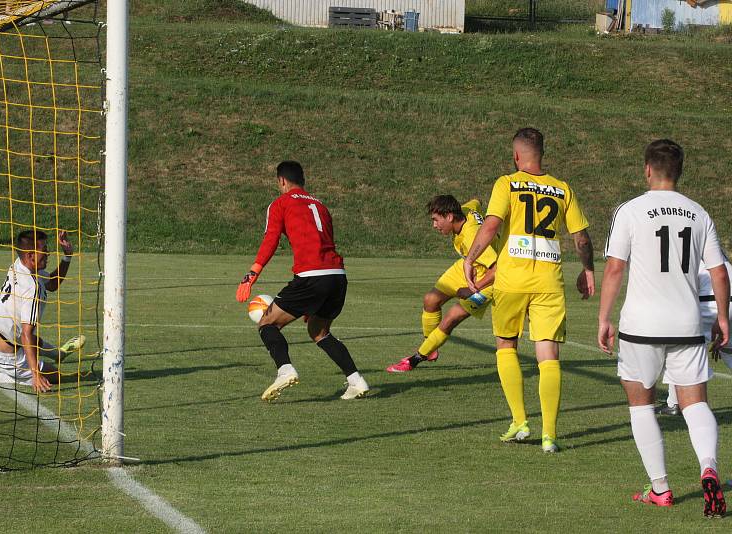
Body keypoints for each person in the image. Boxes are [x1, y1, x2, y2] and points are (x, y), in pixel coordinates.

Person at [598, 139, 728, 516]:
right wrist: (721, 318)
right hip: (687, 325)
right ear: (680, 171)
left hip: (641, 326)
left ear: (647, 169)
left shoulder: (631, 210)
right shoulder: (698, 212)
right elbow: (718, 271)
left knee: (642, 406)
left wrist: (604, 318)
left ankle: (661, 489)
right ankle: (708, 467)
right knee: (696, 402)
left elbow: (615, 267)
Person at [463, 127, 595, 453]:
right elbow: (581, 238)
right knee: (548, 354)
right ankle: (549, 434)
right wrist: (589, 269)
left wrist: (471, 258)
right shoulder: (562, 189)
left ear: (516, 155)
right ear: (542, 154)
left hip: (511, 280)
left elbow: (491, 224)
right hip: (549, 281)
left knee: (506, 344)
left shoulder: (506, 182)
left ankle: (520, 422)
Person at [236, 161, 369, 401]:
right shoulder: (320, 205)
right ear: (302, 180)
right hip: (337, 277)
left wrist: (251, 275)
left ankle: (284, 370)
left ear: (282, 181)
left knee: (267, 323)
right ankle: (356, 381)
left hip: (311, 277)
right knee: (319, 331)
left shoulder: (281, 203)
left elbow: (271, 240)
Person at [386, 195, 497, 373]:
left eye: (436, 220)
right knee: (431, 300)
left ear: (450, 216)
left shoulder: (472, 237)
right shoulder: (466, 209)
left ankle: (415, 359)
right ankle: (431, 349)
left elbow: (497, 269)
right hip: (469, 266)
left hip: (489, 279)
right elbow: (476, 201)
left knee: (451, 318)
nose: (435, 225)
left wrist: (471, 289)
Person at [0, 229, 85, 393]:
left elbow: (51, 284)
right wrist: (36, 374)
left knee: (34, 341)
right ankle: (5, 376)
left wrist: (67, 256)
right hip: (7, 357)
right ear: (30, 256)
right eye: (44, 250)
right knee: (54, 374)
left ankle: (59, 353)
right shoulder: (31, 288)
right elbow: (25, 334)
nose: (48, 253)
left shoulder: (19, 264)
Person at [656, 258, 732, 416]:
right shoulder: (714, 249)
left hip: (711, 303)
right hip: (725, 298)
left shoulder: (688, 249)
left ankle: (675, 403)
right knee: (728, 350)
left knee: (679, 347)